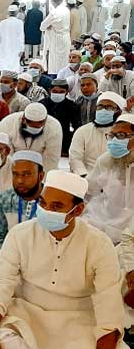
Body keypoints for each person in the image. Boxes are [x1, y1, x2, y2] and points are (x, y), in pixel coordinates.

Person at [0, 170, 133, 349]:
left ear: (77, 210)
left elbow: (109, 304)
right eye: (43, 203)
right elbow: (0, 287)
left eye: (56, 206)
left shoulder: (99, 244)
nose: (46, 210)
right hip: (29, 315)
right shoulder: (19, 235)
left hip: (78, 321)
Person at [84, 113, 134, 244]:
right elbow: (89, 191)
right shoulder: (105, 161)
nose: (115, 140)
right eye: (112, 135)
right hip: (107, 227)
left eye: (122, 135)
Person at [0, 150, 44, 255]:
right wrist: (6, 259)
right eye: (15, 174)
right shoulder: (5, 198)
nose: (20, 180)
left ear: (40, 176)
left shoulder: (51, 202)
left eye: (26, 174)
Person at [69, 91, 126, 176]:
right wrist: (84, 177)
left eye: (109, 107)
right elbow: (75, 159)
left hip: (116, 181)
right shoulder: (83, 131)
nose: (103, 110)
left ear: (118, 111)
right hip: (87, 179)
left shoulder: (124, 134)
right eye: (100, 106)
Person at [0, 103, 63, 172]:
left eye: (40, 123)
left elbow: (51, 159)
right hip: (13, 163)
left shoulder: (54, 127)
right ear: (23, 119)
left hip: (41, 165)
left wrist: (41, 179)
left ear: (45, 120)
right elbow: (6, 155)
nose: (35, 127)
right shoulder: (7, 123)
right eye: (31, 123)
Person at [41, 78, 77, 154]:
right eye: (55, 91)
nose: (57, 94)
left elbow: (76, 126)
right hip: (43, 140)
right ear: (49, 90)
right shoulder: (41, 104)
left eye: (61, 92)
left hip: (64, 142)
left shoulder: (72, 106)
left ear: (67, 92)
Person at [40, 0, 72, 74]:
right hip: (66, 38)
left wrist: (49, 26)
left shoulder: (54, 12)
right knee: (64, 61)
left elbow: (42, 26)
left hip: (56, 40)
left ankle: (56, 80)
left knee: (56, 64)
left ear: (53, 2)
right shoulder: (66, 10)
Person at [0, 5, 25, 72]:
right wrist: (22, 49)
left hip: (4, 48)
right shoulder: (19, 22)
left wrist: (3, 41)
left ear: (8, 12)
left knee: (4, 67)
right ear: (17, 12)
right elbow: (21, 37)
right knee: (14, 68)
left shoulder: (2, 22)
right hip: (16, 48)